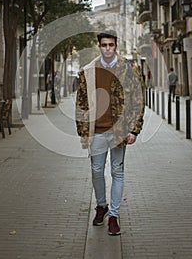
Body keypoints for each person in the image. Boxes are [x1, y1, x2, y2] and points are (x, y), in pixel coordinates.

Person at [75, 30, 145, 236]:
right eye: (104, 45)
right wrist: (83, 131)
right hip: (96, 130)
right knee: (97, 171)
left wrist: (135, 129)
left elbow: (138, 100)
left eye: (111, 45)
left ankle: (113, 216)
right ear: (99, 46)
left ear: (116, 46)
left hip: (120, 130)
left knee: (117, 172)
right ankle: (101, 206)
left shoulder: (129, 68)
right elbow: (81, 103)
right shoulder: (88, 70)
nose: (107, 49)